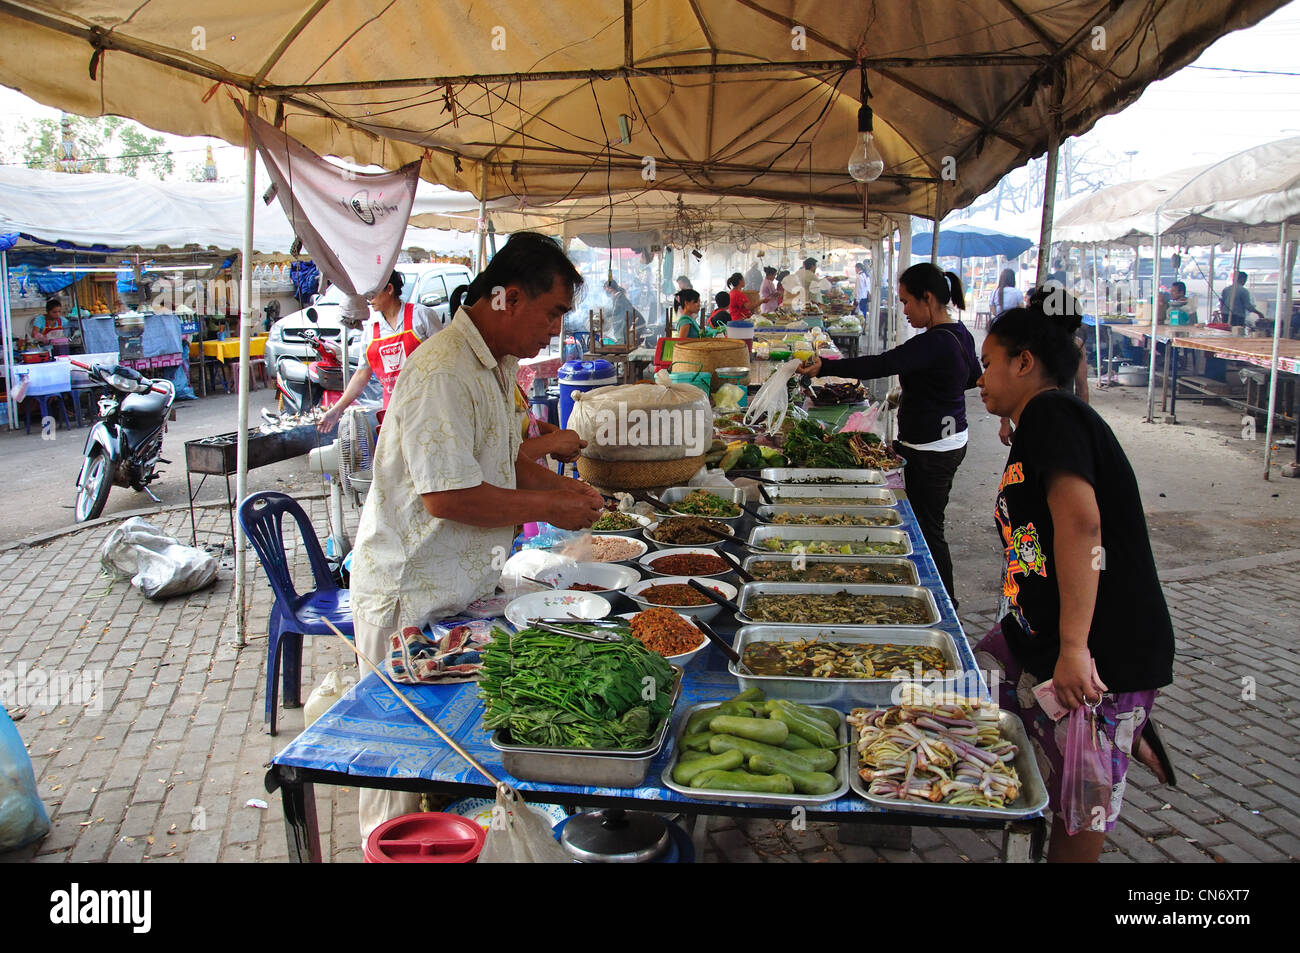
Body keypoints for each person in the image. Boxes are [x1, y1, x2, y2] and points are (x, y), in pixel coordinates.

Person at [348, 233, 605, 839]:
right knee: (399, 778)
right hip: (408, 598)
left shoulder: (498, 364)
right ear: (509, 298)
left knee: (447, 767)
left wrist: (567, 493)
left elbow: (500, 455)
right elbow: (447, 495)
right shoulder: (443, 369)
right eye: (553, 314)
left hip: (461, 595)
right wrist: (550, 504)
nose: (555, 330)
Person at [973, 304, 1176, 863]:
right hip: (1050, 634)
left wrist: (1073, 647)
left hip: (1101, 648)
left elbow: (1083, 524)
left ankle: (1117, 722)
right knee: (985, 684)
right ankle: (1124, 727)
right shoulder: (1040, 423)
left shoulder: (1055, 415)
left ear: (1025, 362)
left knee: (1080, 799)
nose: (979, 378)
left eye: (987, 363)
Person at [797, 263, 979, 607]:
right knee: (927, 518)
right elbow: (971, 377)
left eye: (907, 301)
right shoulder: (961, 333)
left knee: (929, 525)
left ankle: (944, 601)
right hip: (951, 438)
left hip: (931, 447)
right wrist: (927, 390)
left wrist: (828, 366)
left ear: (928, 298)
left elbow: (881, 364)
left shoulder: (935, 341)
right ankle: (932, 592)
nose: (905, 310)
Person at [317, 271, 441, 431]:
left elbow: (445, 358)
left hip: (428, 407)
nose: (369, 299)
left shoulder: (421, 316)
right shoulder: (371, 330)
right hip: (393, 410)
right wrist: (337, 409)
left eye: (372, 294)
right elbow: (362, 374)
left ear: (389, 289)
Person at [603, 279, 642, 345]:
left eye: (606, 288)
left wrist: (632, 321)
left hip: (622, 324)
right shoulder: (617, 297)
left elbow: (629, 309)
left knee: (620, 341)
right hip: (621, 324)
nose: (605, 291)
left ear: (610, 288)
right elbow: (615, 310)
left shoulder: (620, 298)